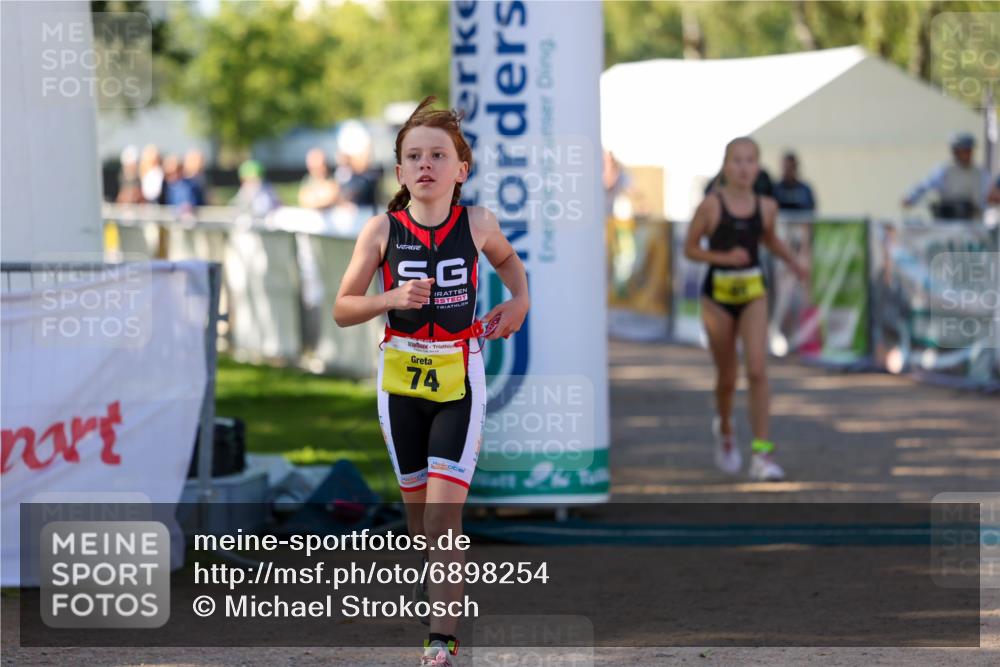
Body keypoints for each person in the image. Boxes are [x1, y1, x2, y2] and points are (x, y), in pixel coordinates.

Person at [333, 96, 529, 667]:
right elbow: (343, 308)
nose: (426, 164)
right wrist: (390, 298)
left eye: (438, 155)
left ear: (460, 170)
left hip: (458, 378)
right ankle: (441, 588)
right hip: (400, 382)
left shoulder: (478, 223)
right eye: (415, 156)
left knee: (444, 518)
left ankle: (441, 639)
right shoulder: (380, 231)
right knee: (420, 520)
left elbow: (509, 263)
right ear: (399, 172)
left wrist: (519, 299)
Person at [684, 137, 808, 481]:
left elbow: (769, 239)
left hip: (754, 293)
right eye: (737, 160)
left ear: (758, 166)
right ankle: (725, 428)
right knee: (727, 377)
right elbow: (690, 249)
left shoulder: (767, 207)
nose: (743, 167)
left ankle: (762, 454)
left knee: (757, 370)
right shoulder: (711, 206)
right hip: (718, 297)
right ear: (726, 166)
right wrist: (723, 257)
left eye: (750, 160)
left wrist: (794, 263)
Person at [903, 132, 991, 220]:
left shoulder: (980, 173)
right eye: (960, 151)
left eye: (967, 151)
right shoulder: (944, 170)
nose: (964, 154)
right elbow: (924, 186)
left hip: (973, 221)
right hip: (947, 220)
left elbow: (988, 197)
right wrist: (910, 198)